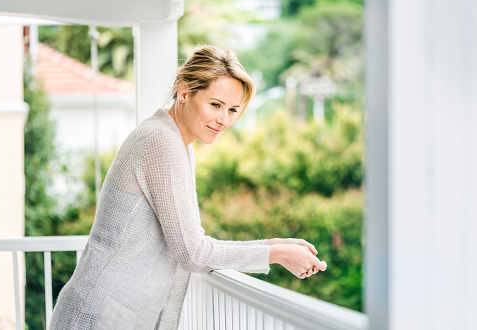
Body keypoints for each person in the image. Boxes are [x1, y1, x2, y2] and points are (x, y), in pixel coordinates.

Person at [49, 45, 327, 330]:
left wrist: (271, 244)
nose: (224, 119)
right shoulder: (161, 142)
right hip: (98, 317)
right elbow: (193, 253)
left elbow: (189, 241)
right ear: (184, 92)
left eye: (232, 109)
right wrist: (275, 254)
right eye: (215, 105)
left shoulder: (176, 143)